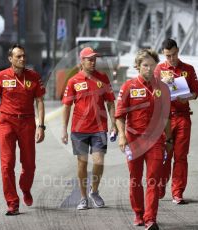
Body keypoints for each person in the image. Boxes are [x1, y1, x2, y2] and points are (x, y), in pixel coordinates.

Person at [0, 44, 46, 215]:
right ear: (10, 59)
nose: (22, 59)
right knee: (7, 165)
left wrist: (41, 126)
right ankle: (12, 202)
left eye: (24, 56)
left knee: (29, 165)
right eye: (18, 56)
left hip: (27, 123)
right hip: (7, 123)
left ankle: (25, 188)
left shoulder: (33, 76)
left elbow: (40, 101)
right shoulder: (1, 76)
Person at [116, 49, 171, 230]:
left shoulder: (162, 88)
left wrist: (169, 139)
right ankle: (139, 213)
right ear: (138, 66)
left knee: (153, 180)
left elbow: (165, 117)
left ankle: (150, 219)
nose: (149, 69)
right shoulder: (128, 87)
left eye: (152, 65)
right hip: (134, 140)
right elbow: (119, 115)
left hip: (156, 140)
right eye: (145, 65)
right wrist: (122, 136)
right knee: (135, 179)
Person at [61, 47, 117, 210]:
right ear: (82, 61)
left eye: (94, 59)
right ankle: (83, 197)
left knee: (98, 161)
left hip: (99, 128)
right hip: (79, 130)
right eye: (89, 59)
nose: (93, 62)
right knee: (82, 164)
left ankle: (94, 191)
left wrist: (114, 124)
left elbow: (110, 103)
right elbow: (66, 106)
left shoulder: (103, 78)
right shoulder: (73, 81)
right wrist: (64, 129)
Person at [154, 38, 198, 204]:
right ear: (163, 54)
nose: (171, 59)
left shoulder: (188, 69)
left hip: (182, 116)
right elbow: (151, 93)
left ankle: (178, 192)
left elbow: (196, 92)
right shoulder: (158, 69)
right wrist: (160, 84)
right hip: (164, 118)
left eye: (173, 54)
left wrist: (185, 97)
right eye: (168, 56)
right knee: (164, 155)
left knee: (181, 156)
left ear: (178, 51)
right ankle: (160, 186)